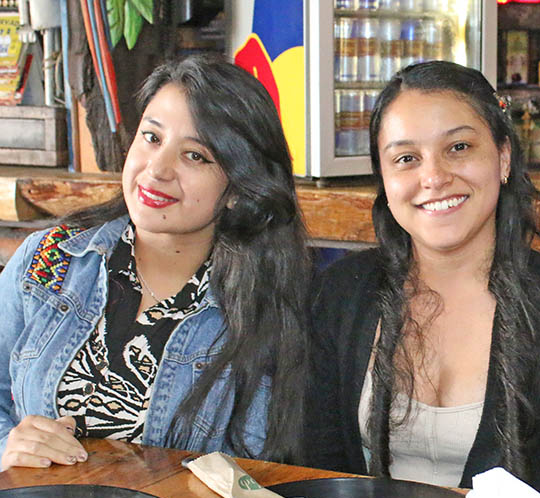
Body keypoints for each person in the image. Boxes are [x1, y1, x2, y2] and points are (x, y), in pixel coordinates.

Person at [306, 61, 540, 498]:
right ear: (384, 179)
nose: (433, 177)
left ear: (503, 157)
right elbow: (317, 470)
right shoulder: (339, 292)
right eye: (406, 158)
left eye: (459, 147)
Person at [0, 54, 312, 469]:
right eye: (151, 138)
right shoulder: (49, 259)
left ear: (240, 187)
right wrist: (9, 446)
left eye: (195, 156)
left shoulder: (273, 306)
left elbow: (275, 473)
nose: (158, 169)